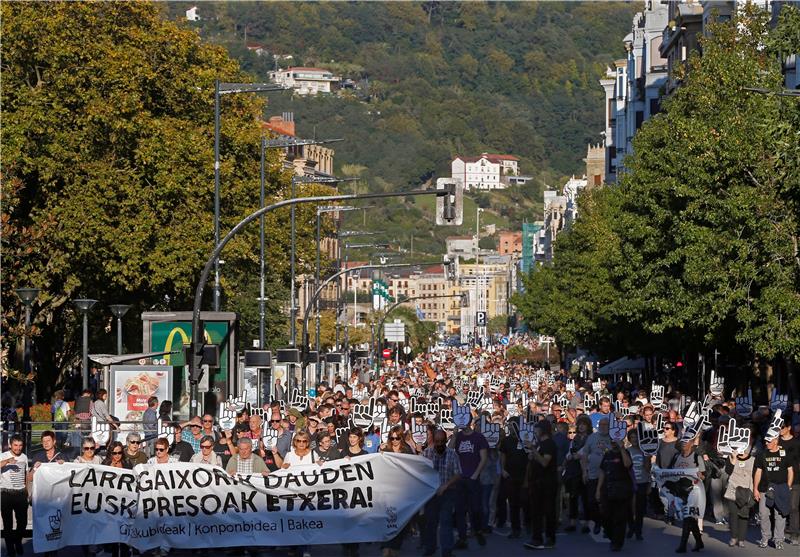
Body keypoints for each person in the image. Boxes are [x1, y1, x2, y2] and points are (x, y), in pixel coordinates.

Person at [451, 414, 488, 549]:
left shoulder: (479, 437)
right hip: (460, 478)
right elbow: (449, 450)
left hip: (473, 478)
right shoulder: (459, 436)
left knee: (475, 508)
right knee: (460, 510)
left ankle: (477, 530)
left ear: (470, 422)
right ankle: (462, 538)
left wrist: (475, 474)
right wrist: (454, 435)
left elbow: (484, 457)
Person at [422, 429, 462, 557]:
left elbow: (458, 474)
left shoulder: (452, 454)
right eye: (437, 441)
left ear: (446, 441)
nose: (439, 444)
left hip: (447, 492)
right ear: (433, 440)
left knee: (446, 522)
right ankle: (430, 548)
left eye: (441, 441)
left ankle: (447, 551)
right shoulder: (426, 454)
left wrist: (446, 485)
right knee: (430, 522)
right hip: (431, 494)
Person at [754, 431, 794, 550]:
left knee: (780, 515)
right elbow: (758, 472)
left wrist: (788, 486)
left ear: (776, 441)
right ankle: (765, 537)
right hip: (765, 488)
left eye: (769, 441)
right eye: (766, 441)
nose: (766, 443)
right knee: (763, 514)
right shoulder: (762, 454)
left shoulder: (784, 453)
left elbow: (790, 470)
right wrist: (755, 489)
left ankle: (778, 540)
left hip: (781, 488)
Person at [524, 420, 558, 550]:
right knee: (536, 511)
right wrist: (532, 456)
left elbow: (545, 462)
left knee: (548, 511)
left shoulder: (549, 444)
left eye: (537, 429)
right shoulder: (539, 444)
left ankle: (550, 538)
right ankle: (536, 538)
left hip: (547, 483)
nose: (535, 431)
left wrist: (533, 450)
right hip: (537, 482)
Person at [596, 435, 633, 552]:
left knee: (619, 518)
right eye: (612, 441)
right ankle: (612, 536)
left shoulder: (625, 452)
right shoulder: (608, 454)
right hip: (608, 488)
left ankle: (617, 543)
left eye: (616, 441)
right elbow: (602, 471)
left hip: (622, 489)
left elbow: (627, 465)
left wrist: (622, 448)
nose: (614, 443)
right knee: (606, 516)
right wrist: (598, 489)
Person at [670, 438, 705, 553]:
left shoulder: (696, 457)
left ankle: (683, 545)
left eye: (687, 441)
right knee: (690, 518)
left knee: (687, 517)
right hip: (680, 490)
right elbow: (670, 472)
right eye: (682, 442)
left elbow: (703, 476)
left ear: (691, 443)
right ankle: (699, 542)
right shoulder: (676, 457)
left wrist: (700, 475)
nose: (684, 444)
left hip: (693, 490)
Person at [579, 416, 613, 535]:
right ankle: (598, 521)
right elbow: (584, 455)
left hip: (608, 476)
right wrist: (584, 471)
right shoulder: (592, 437)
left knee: (606, 503)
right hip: (593, 474)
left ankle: (606, 525)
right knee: (591, 501)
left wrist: (606, 449)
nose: (603, 427)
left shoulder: (612, 438)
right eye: (601, 425)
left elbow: (616, 453)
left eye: (606, 425)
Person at [723, 446, 756, 548]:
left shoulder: (753, 460)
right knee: (733, 514)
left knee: (743, 516)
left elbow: (756, 475)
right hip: (733, 490)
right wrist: (733, 458)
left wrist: (755, 490)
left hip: (746, 492)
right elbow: (728, 471)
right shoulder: (731, 457)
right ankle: (733, 537)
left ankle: (741, 539)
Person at [1, 435, 28, 557]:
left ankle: (17, 541)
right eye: (15, 445)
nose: (18, 448)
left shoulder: (24, 457)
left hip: (21, 494)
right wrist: (7, 461)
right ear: (10, 445)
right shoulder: (3, 455)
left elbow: (26, 475)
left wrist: (27, 491)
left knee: (22, 523)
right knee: (8, 524)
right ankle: (10, 549)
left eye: (20, 445)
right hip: (6, 494)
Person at [563, 417, 590, 534]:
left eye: (584, 424)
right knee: (573, 496)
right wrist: (569, 456)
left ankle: (586, 523)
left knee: (585, 497)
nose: (581, 427)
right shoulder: (575, 439)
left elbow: (587, 451)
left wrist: (578, 454)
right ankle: (572, 522)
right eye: (580, 424)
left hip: (585, 469)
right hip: (574, 469)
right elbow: (570, 451)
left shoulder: (590, 438)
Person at [778, 415, 800, 546]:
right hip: (778, 479)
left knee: (793, 507)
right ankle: (777, 534)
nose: (780, 430)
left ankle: (794, 534)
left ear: (789, 428)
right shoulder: (776, 441)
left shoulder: (797, 443)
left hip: (796, 479)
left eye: (782, 427)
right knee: (778, 507)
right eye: (778, 428)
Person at [627, 427, 651, 541]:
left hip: (642, 482)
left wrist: (648, 458)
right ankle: (631, 527)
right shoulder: (627, 451)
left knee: (640, 509)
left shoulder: (645, 451)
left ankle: (638, 531)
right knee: (630, 508)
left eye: (636, 437)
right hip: (630, 483)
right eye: (632, 437)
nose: (634, 439)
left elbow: (648, 469)